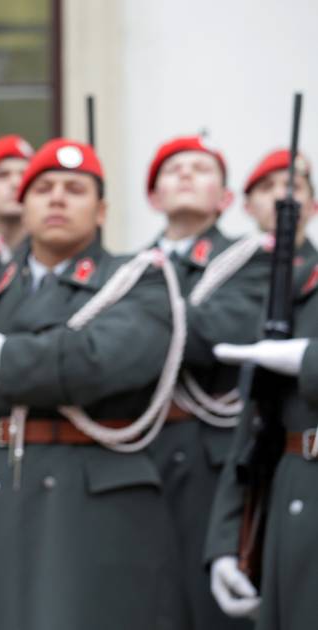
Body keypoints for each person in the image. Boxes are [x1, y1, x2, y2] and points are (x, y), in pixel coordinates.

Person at [0, 139, 188, 629]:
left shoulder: (136, 279)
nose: (57, 198)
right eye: (43, 188)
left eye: (75, 189)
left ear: (101, 211)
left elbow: (100, 362)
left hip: (95, 503)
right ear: (24, 205)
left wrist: (1, 357)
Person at [144, 136, 277, 630]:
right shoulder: (129, 267)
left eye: (200, 168)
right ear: (153, 197)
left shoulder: (252, 259)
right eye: (173, 168)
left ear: (225, 198)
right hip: (140, 451)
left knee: (209, 608)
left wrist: (131, 332)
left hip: (209, 458)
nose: (185, 174)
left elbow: (221, 334)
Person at [203, 147, 318, 630]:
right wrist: (227, 540)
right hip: (288, 491)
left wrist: (307, 360)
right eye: (268, 189)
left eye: (294, 187)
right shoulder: (276, 285)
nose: (282, 197)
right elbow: (253, 427)